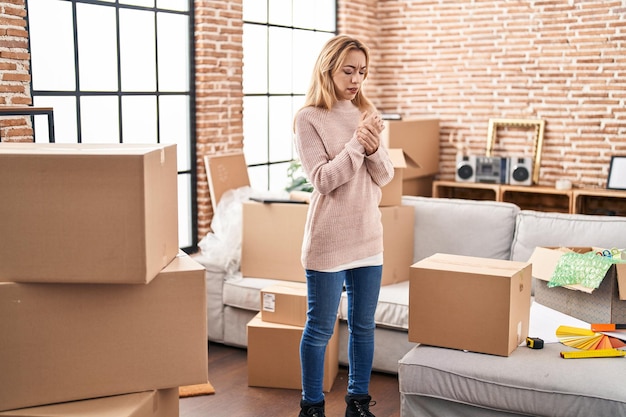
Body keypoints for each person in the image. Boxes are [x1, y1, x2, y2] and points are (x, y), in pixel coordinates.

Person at [293, 35, 394, 417]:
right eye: (348, 70)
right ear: (328, 68)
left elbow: (384, 176)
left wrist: (371, 147)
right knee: (320, 329)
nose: (356, 80)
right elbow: (322, 179)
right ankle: (312, 407)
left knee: (364, 326)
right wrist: (357, 144)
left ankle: (358, 403)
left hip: (368, 237)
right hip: (328, 241)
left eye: (362, 72)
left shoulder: (365, 112)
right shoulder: (308, 118)